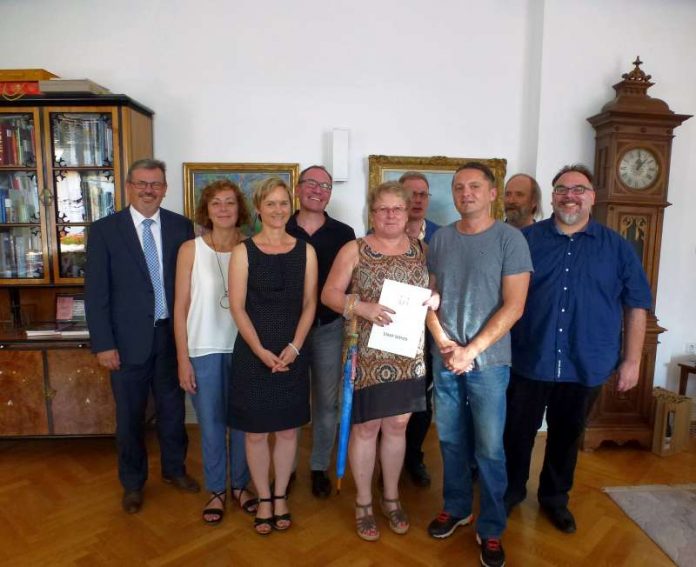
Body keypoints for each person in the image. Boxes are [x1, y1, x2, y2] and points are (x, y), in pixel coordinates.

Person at [504, 164, 652, 534]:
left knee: (567, 435)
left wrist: (633, 360)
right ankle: (510, 492)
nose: (570, 195)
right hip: (529, 357)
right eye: (562, 189)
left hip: (585, 361)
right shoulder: (526, 240)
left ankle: (554, 499)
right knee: (517, 432)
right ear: (552, 196)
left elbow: (637, 304)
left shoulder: (617, 247)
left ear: (592, 197)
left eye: (579, 189)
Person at [426, 162, 532, 567]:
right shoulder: (441, 240)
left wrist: (470, 351)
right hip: (446, 358)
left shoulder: (511, 240)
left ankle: (491, 527)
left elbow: (515, 305)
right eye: (458, 187)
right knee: (450, 440)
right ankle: (456, 508)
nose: (465, 192)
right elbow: (428, 298)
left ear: (492, 193)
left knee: (489, 449)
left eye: (474, 186)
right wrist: (444, 343)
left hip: (489, 364)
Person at [322, 180, 435, 542]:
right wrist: (362, 307)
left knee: (398, 427)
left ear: (407, 213)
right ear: (372, 213)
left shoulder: (422, 250)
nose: (390, 215)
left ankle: (391, 497)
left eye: (397, 209)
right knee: (366, 429)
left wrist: (435, 299)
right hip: (366, 355)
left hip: (407, 355)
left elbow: (432, 291)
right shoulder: (354, 249)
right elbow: (329, 295)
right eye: (382, 209)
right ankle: (364, 502)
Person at [85, 158, 200, 514]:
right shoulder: (105, 230)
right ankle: (133, 484)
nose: (149, 190)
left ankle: (174, 470)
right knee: (130, 419)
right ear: (128, 186)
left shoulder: (181, 227)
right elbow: (96, 293)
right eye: (142, 184)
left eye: (156, 184)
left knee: (171, 413)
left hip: (170, 339)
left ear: (165, 188)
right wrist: (104, 344)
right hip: (126, 343)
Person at [227, 177, 318, 535]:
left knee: (287, 432)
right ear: (259, 209)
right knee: (254, 434)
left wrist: (295, 347)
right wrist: (261, 351)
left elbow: (310, 303)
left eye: (283, 203)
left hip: (293, 351)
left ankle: (281, 495)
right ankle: (263, 497)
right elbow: (237, 307)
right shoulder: (242, 251)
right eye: (271, 204)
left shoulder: (306, 251)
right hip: (254, 352)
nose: (278, 210)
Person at [173, 180, 258, 525]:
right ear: (206, 211)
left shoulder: (252, 248)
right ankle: (216, 490)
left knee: (242, 423)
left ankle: (239, 485)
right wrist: (182, 358)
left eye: (229, 203)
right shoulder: (190, 249)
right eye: (216, 204)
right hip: (202, 348)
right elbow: (180, 307)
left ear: (240, 209)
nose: (223, 209)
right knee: (209, 424)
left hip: (243, 348)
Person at [285, 165, 356, 499]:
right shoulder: (279, 226)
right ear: (297, 189)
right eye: (310, 183)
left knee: (327, 404)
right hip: (285, 331)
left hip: (329, 327)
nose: (317, 189)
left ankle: (317, 467)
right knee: (288, 399)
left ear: (330, 192)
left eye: (324, 185)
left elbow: (352, 284)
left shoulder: (344, 233)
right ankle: (285, 468)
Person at [399, 171, 440, 487]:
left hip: (428, 331)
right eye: (410, 193)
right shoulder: (375, 234)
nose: (417, 199)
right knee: (391, 397)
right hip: (389, 329)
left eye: (423, 194)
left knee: (422, 397)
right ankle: (389, 458)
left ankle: (413, 455)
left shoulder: (443, 237)